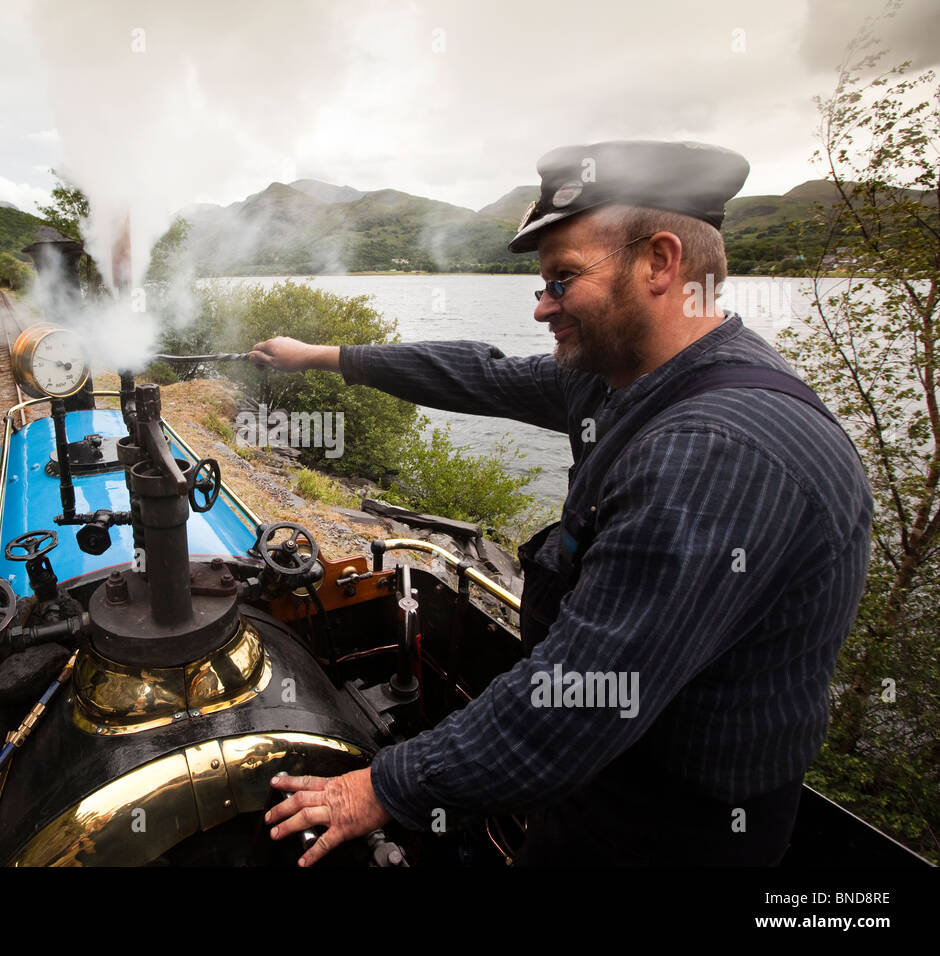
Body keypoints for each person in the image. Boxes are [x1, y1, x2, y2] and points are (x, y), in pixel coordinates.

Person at [252, 141, 873, 866]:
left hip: (670, 828)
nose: (543, 305)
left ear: (661, 263)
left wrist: (383, 787)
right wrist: (321, 354)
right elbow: (474, 374)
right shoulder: (626, 377)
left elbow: (587, 696)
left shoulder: (718, 450)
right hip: (602, 777)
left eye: (563, 279)